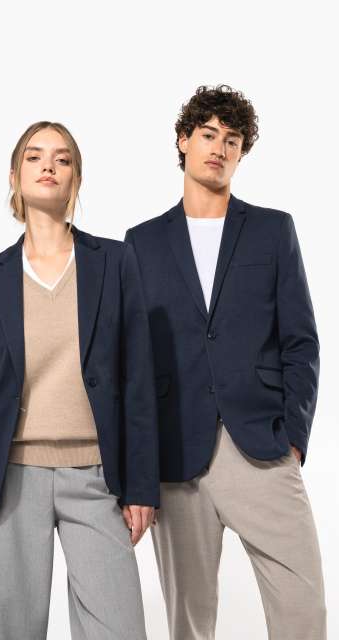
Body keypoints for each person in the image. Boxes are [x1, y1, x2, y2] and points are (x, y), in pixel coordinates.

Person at [124, 85, 327, 639]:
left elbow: (301, 341)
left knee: (303, 608)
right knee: (188, 621)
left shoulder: (272, 230)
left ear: (241, 153)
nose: (219, 147)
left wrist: (293, 437)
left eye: (232, 140)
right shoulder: (141, 243)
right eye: (208, 134)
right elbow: (133, 364)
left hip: (262, 446)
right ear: (183, 141)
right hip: (176, 458)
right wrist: (139, 465)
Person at [0, 121, 159, 640]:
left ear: (75, 179)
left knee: (119, 628)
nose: (48, 166)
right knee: (4, 630)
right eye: (35, 156)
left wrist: (142, 486)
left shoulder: (115, 263)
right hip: (8, 479)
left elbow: (138, 380)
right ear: (14, 177)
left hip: (98, 477)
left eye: (62, 159)